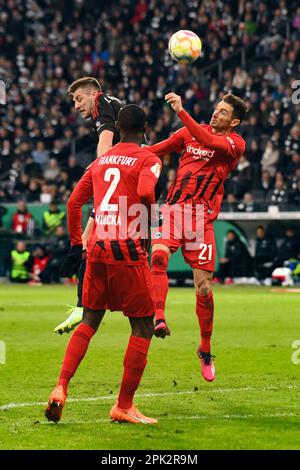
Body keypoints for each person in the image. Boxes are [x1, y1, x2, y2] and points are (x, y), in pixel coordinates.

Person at [45, 105, 162, 425]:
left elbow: (73, 203)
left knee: (89, 321)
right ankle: (123, 406)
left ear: (119, 128)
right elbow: (146, 192)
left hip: (95, 248)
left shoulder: (101, 160)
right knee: (143, 326)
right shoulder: (148, 159)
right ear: (146, 128)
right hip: (127, 249)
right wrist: (149, 222)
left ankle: (60, 387)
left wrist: (74, 244)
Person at [147, 92, 247, 382]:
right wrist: (125, 152)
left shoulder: (233, 143)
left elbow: (210, 142)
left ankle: (204, 348)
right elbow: (156, 150)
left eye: (223, 112)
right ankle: (160, 317)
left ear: (234, 121)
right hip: (175, 210)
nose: (216, 114)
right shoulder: (187, 134)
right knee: (158, 255)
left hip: (202, 219)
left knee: (203, 288)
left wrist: (181, 111)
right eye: (216, 108)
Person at [54, 76, 123, 334]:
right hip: (117, 172)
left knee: (88, 236)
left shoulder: (103, 103)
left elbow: (105, 145)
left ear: (94, 93)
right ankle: (82, 301)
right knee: (82, 225)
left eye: (78, 98)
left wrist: (97, 168)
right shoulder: (109, 106)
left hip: (117, 174)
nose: (75, 105)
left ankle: (85, 304)